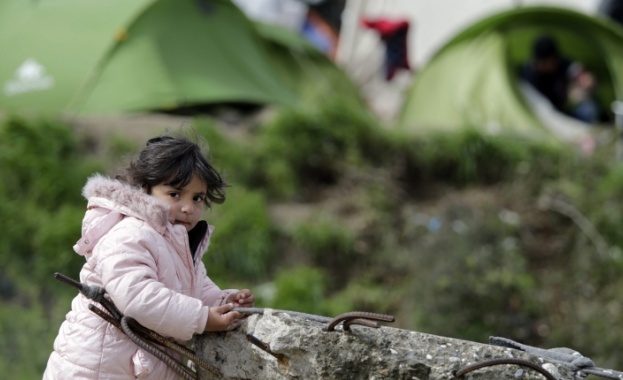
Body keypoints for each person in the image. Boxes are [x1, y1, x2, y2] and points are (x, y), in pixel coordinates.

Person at [43, 134, 255, 379]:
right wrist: (202, 318)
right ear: (146, 189)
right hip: (95, 369)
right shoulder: (131, 233)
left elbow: (194, 289)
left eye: (197, 198)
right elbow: (137, 296)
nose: (188, 207)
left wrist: (224, 302)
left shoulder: (176, 242)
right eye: (175, 194)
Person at [519, 34, 599, 124]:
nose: (545, 65)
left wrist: (586, 81)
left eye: (548, 62)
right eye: (542, 63)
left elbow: (579, 73)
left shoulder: (563, 64)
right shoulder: (528, 73)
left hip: (563, 114)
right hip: (539, 116)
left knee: (588, 108)